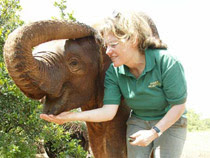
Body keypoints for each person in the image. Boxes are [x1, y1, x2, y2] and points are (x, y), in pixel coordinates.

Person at [40, 11, 187, 158]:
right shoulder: (114, 72)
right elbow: (108, 112)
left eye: (113, 45)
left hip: (171, 121)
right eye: (106, 46)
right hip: (139, 120)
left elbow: (178, 106)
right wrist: (69, 117)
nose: (108, 52)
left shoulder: (167, 62)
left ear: (133, 40)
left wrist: (154, 132)